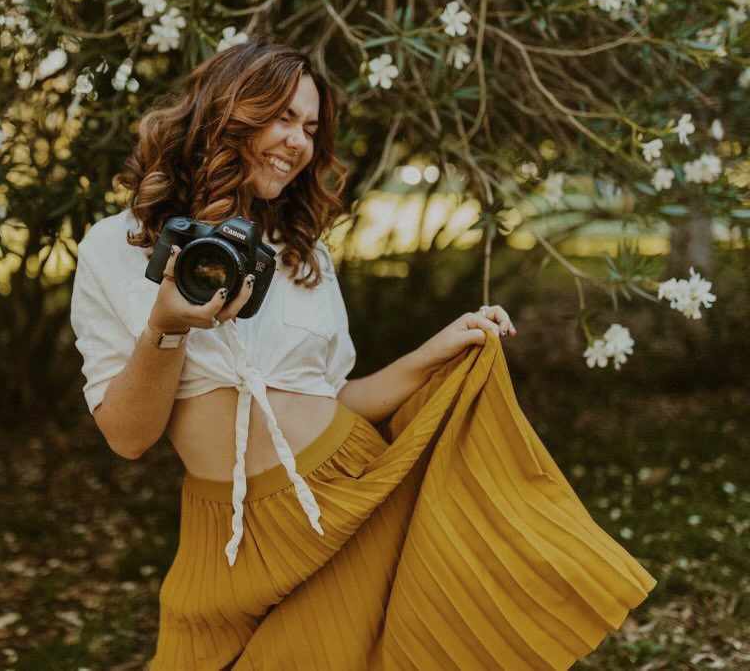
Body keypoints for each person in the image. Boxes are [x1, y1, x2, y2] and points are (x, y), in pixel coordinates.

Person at [70, 37, 656, 670]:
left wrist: (436, 351)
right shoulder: (114, 248)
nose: (299, 142)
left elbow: (333, 395)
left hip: (352, 496)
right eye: (283, 117)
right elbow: (128, 438)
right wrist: (166, 326)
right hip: (228, 532)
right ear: (226, 111)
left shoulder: (303, 255)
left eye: (311, 127)